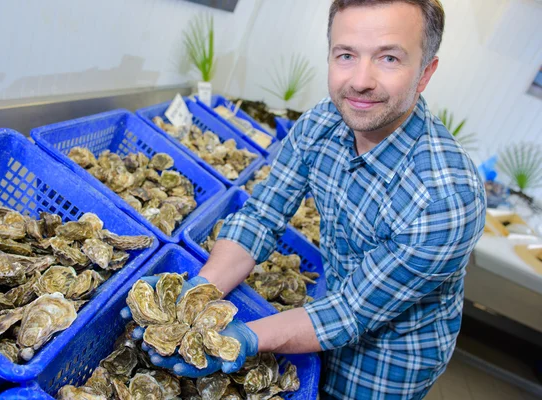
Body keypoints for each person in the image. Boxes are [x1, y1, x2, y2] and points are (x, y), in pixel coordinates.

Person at [125, 0, 486, 398]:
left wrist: (239, 339)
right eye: (346, 55)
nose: (361, 80)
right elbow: (262, 216)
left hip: (386, 363)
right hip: (320, 307)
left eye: (388, 58)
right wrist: (198, 293)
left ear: (425, 73)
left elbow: (349, 311)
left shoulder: (447, 197)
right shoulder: (320, 124)